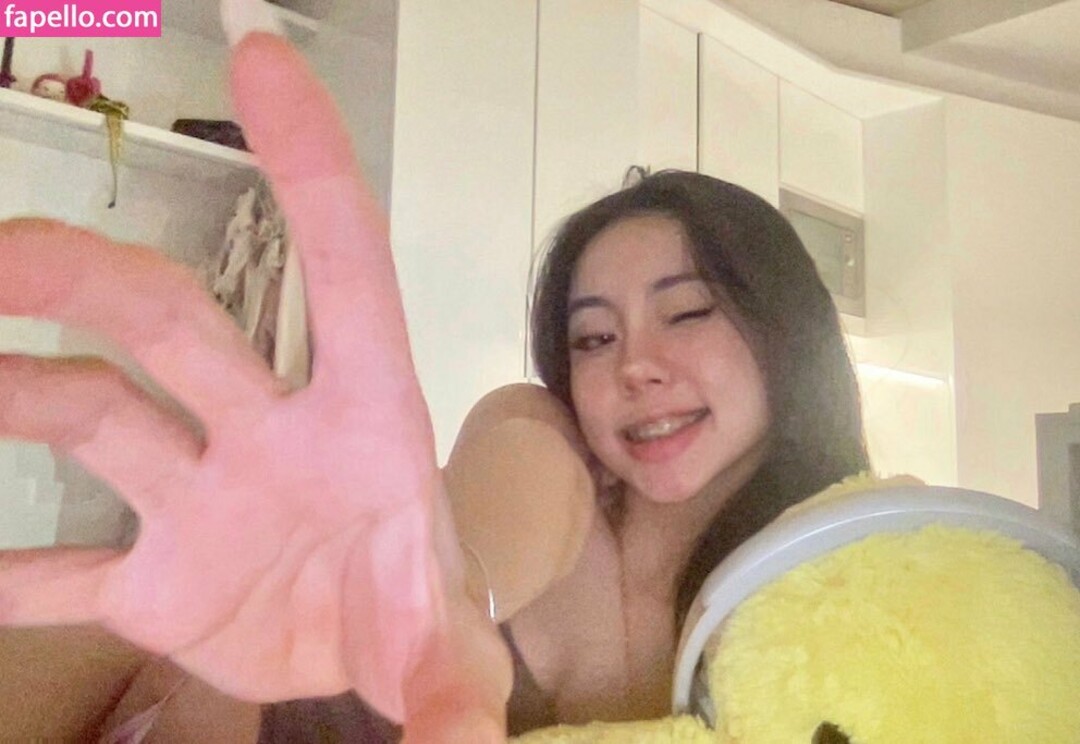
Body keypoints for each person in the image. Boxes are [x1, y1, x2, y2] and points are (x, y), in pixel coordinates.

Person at [0, 3, 868, 741]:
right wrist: (452, 598)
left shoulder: (856, 586)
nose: (636, 365)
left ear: (783, 328)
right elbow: (508, 485)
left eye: (687, 312)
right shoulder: (548, 453)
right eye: (593, 337)